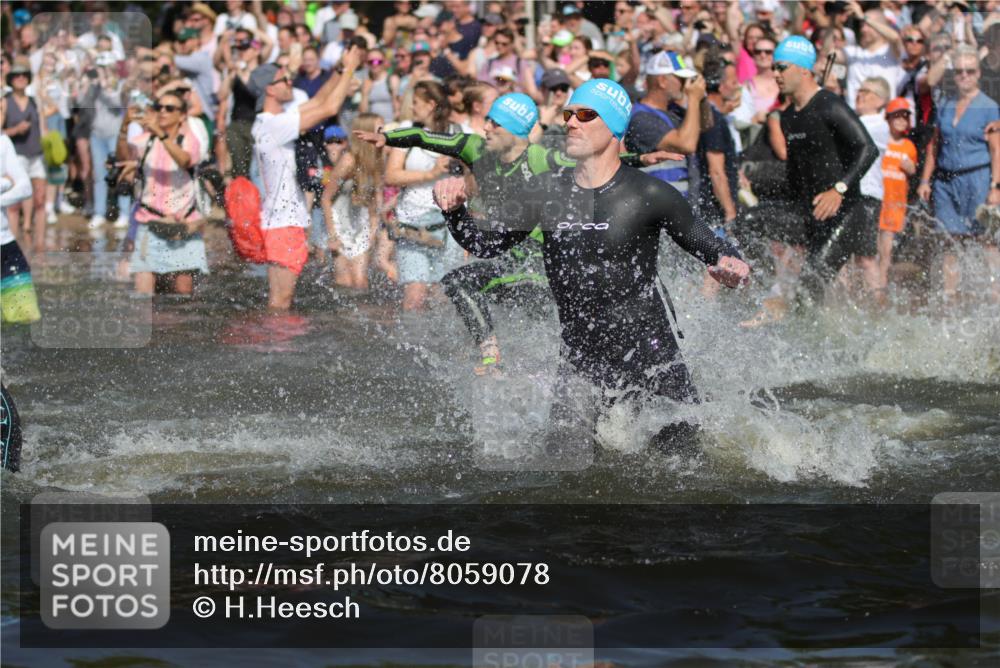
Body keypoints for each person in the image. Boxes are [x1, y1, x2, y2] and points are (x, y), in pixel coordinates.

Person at [433, 79, 750, 453]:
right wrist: (455, 213)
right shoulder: (546, 191)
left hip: (652, 359)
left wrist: (732, 266)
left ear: (614, 128)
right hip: (581, 361)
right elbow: (486, 243)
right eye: (568, 113)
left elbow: (713, 247)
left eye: (585, 114)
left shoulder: (648, 194)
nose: (571, 122)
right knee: (565, 470)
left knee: (683, 471)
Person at [248, 46, 363, 310]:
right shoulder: (272, 125)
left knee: (280, 301)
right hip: (283, 225)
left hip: (281, 223)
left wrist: (338, 71)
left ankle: (276, 344)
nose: (291, 82)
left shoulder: (275, 120)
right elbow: (331, 106)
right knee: (281, 301)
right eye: (285, 80)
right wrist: (352, 69)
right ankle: (275, 347)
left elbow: (319, 100)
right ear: (270, 89)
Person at [770, 35, 879, 305]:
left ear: (804, 69)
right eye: (774, 67)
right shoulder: (788, 116)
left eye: (781, 67)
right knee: (746, 225)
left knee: (809, 290)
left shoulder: (829, 104)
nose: (775, 74)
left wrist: (839, 189)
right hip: (813, 213)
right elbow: (796, 172)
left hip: (846, 214)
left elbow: (868, 148)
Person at [917, 45, 1000, 302]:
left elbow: (997, 149)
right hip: (945, 180)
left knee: (984, 239)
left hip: (977, 177)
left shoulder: (988, 106)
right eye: (960, 71)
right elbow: (935, 144)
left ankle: (993, 294)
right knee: (949, 240)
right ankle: (949, 295)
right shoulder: (945, 104)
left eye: (970, 71)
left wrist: (995, 186)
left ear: (978, 74)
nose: (964, 75)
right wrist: (924, 179)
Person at [118, 92, 208, 296]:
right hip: (149, 225)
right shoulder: (146, 140)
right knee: (143, 296)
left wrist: (160, 133)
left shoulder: (190, 140)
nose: (162, 112)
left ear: (182, 116)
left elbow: (185, 161)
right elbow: (122, 157)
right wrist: (124, 128)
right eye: (159, 107)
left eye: (169, 108)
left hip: (183, 226)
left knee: (182, 296)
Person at [385, 80, 463, 311]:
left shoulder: (458, 133)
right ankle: (411, 344)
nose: (411, 108)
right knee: (414, 298)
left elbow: (473, 177)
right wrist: (431, 173)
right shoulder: (408, 131)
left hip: (449, 227)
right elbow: (390, 175)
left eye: (416, 103)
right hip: (412, 224)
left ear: (431, 104)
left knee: (444, 298)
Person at [624, 51, 706, 198]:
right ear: (662, 80)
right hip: (659, 208)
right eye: (681, 79)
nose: (685, 85)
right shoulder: (640, 118)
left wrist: (702, 98)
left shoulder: (673, 112)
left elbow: (706, 128)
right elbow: (686, 144)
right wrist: (694, 99)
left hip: (678, 205)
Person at [322, 113, 384, 290]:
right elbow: (326, 198)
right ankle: (339, 317)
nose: (383, 132)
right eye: (379, 129)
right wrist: (332, 234)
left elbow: (373, 198)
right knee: (344, 282)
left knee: (360, 282)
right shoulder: (348, 161)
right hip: (339, 224)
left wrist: (373, 229)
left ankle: (362, 317)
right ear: (365, 132)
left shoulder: (377, 158)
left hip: (360, 223)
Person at [1, 96, 41, 325]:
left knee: (25, 318)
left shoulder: (3, 141)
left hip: (5, 243)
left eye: (1, 109)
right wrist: (6, 182)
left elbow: (25, 187)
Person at [2, 61, 46, 255]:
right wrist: (15, 130)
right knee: (14, 207)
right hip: (18, 153)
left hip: (36, 153)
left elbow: (24, 186)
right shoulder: (7, 100)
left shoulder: (34, 100)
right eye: (17, 76)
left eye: (24, 75)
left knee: (40, 200)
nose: (21, 78)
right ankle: (19, 237)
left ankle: (40, 246)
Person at [878, 97, 918, 292]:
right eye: (897, 117)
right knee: (869, 248)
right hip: (879, 200)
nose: (901, 121)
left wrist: (910, 167)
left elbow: (912, 171)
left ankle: (881, 286)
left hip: (896, 203)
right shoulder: (881, 139)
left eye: (905, 117)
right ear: (888, 118)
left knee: (886, 251)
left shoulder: (909, 146)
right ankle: (868, 282)